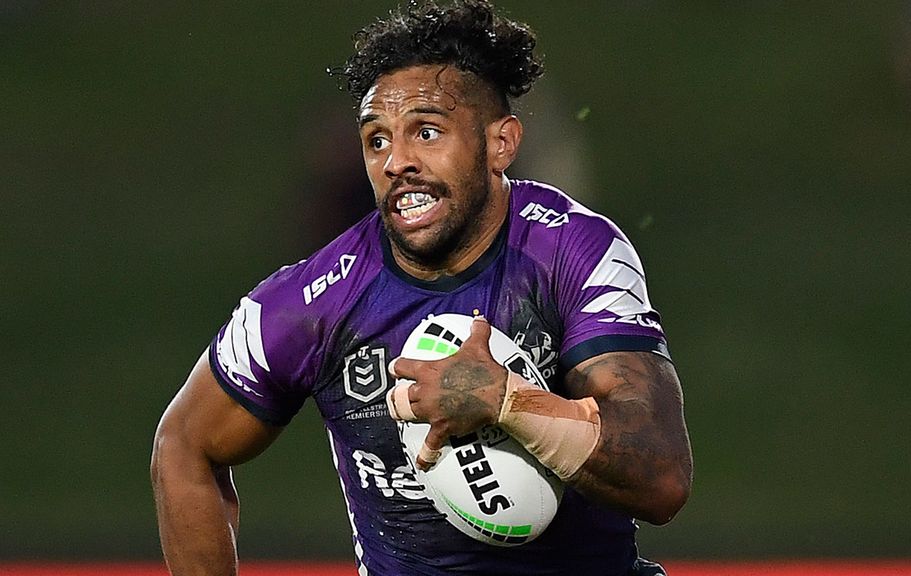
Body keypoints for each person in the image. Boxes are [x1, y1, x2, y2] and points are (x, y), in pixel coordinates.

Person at [150, 1, 693, 575]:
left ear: (501, 144)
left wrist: (507, 403)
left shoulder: (573, 253)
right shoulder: (312, 302)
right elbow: (183, 446)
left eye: (426, 132)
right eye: (376, 140)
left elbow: (662, 480)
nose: (397, 162)